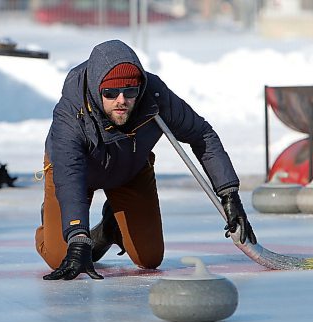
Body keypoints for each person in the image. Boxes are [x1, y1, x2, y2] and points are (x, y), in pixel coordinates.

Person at [35, 39, 256, 280]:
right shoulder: (70, 112)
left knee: (149, 258)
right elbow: (69, 174)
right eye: (110, 93)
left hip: (130, 169)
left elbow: (202, 134)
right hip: (76, 174)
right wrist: (77, 235)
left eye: (130, 91)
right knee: (60, 256)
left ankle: (111, 227)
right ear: (98, 90)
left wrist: (229, 194)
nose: (121, 100)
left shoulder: (155, 95)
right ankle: (52, 225)